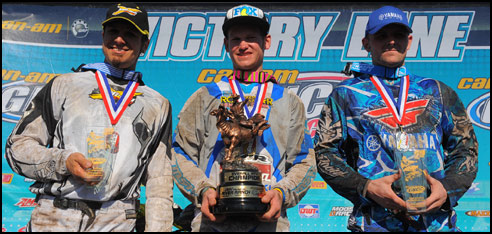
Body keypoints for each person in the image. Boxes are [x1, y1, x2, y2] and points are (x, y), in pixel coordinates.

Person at [5, 3, 174, 232]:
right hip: (54, 216)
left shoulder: (158, 104)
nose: (120, 40)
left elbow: (160, 181)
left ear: (144, 44)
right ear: (103, 35)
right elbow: (17, 148)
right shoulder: (64, 85)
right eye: (114, 32)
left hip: (117, 220)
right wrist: (64, 162)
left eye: (130, 34)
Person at [314, 5, 478, 232]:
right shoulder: (345, 95)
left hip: (436, 224)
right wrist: (365, 187)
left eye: (398, 35)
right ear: (366, 43)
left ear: (409, 41)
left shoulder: (438, 91)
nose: (391, 41)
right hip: (374, 224)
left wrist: (447, 190)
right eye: (382, 35)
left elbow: (465, 149)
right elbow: (325, 153)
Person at [171, 4, 316, 232]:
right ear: (227, 45)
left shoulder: (288, 101)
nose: (243, 45)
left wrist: (281, 193)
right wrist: (202, 189)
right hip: (213, 221)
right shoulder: (205, 96)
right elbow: (179, 153)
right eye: (236, 39)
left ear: (266, 42)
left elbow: (304, 161)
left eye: (251, 38)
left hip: (269, 222)